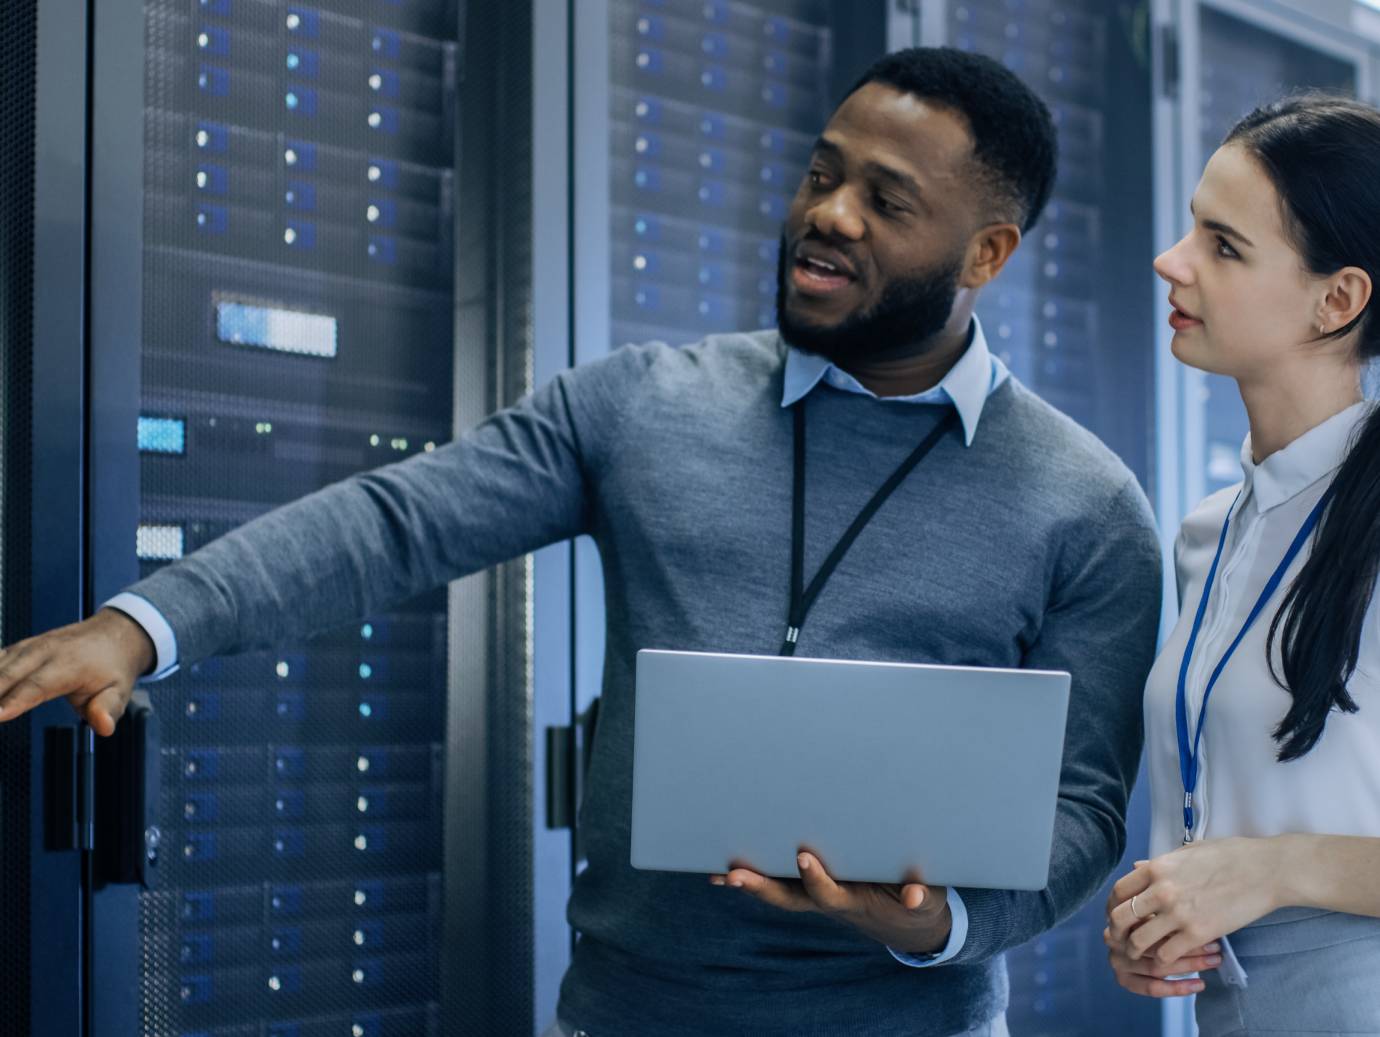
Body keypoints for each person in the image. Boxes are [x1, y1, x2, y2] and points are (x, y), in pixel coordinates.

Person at [2, 48, 1162, 1036]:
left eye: (887, 200)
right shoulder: (644, 405)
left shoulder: (1087, 505)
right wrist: (145, 625)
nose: (828, 214)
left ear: (988, 254)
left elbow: (1084, 809)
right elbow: (398, 521)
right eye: (822, 172)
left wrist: (942, 923)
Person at [1104, 94, 1380, 1034]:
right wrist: (1168, 911)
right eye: (1192, 227)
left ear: (1337, 299)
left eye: (1223, 245)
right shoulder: (1208, 530)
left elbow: (1267, 861)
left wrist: (1272, 870)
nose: (1170, 261)